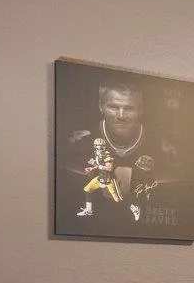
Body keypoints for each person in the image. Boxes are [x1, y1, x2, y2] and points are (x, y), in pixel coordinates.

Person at [63, 81, 177, 226]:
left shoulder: (163, 149)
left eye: (129, 108)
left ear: (141, 110)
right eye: (113, 107)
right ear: (101, 106)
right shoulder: (78, 144)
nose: (121, 115)